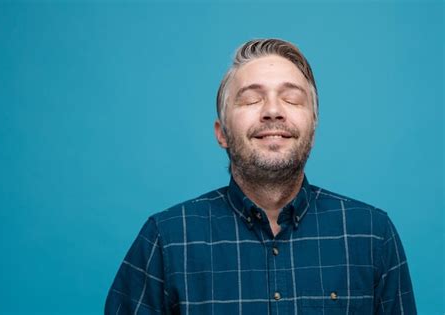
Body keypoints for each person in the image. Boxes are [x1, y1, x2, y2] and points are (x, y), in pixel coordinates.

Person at [105, 39, 416, 314]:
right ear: (222, 133)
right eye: (252, 99)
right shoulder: (166, 239)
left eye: (292, 99)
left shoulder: (372, 235)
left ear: (313, 127)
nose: (272, 111)